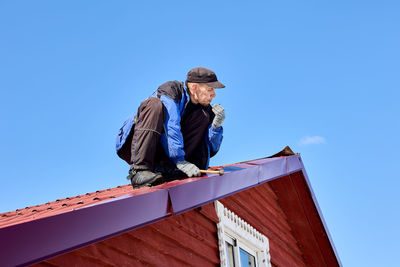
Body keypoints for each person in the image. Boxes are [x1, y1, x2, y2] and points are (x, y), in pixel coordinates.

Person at [126, 67, 225, 188]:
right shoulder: (171, 90)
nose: (213, 95)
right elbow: (171, 126)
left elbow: (210, 149)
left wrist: (216, 126)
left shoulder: (205, 111)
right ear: (194, 87)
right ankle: (139, 172)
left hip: (170, 156)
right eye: (210, 89)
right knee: (154, 105)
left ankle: (169, 170)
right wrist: (179, 160)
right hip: (139, 143)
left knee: (203, 116)